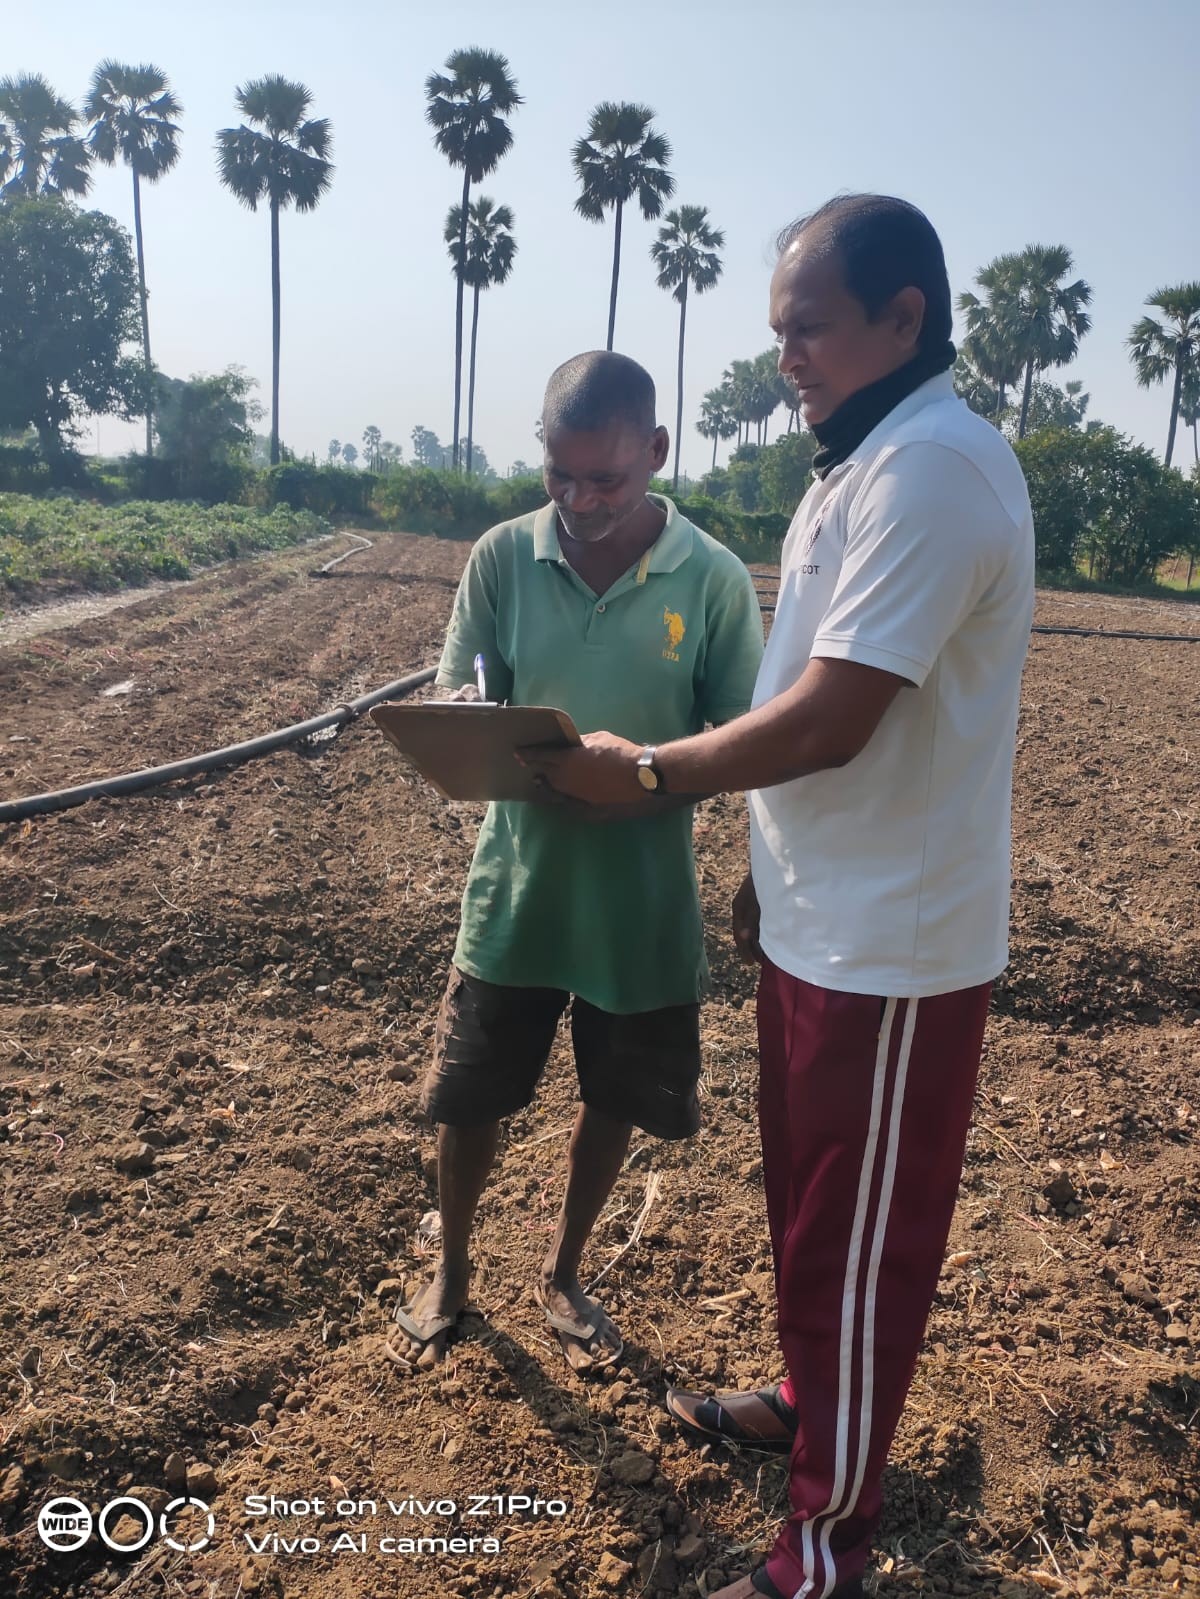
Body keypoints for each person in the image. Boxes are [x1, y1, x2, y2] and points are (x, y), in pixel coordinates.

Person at [525, 196, 1035, 1597]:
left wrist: (653, 771)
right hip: (825, 921)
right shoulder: (858, 463)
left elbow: (831, 716)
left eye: (807, 328)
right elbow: (809, 697)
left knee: (861, 1254)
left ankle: (823, 1551)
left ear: (903, 319)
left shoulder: (934, 470)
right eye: (777, 332)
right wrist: (762, 876)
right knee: (814, 1229)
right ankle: (815, 1422)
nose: (786, 357)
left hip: (894, 951)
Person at [388, 350, 764, 1374]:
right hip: (518, 890)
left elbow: (746, 738)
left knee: (614, 1096)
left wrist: (639, 781)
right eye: (560, 476)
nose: (582, 500)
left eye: (607, 479)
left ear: (655, 451)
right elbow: (468, 684)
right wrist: (465, 722)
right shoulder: (504, 557)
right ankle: (454, 1272)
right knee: (469, 1094)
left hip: (642, 904)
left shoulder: (715, 581)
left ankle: (562, 1270)